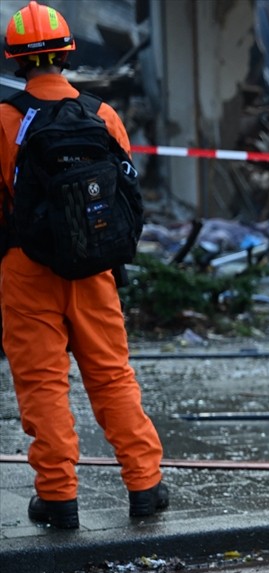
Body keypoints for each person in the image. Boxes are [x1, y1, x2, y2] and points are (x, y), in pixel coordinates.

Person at [0, 1, 167, 530]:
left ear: (14, 59)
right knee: (112, 376)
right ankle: (145, 486)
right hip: (95, 269)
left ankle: (58, 498)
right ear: (67, 54)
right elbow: (126, 196)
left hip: (26, 269)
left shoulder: (5, 119)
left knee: (43, 384)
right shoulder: (102, 115)